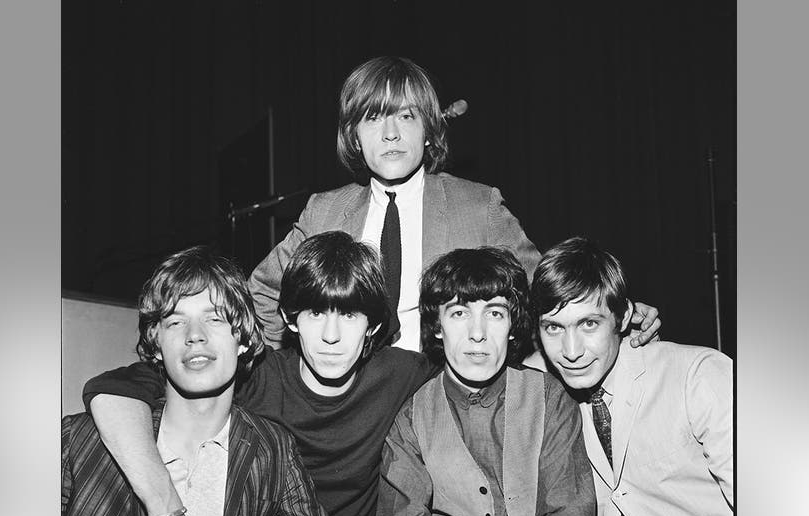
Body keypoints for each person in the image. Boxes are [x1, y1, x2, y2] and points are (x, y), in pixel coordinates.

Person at [82, 232, 440, 516]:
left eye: (348, 315)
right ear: (290, 318)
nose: (331, 336)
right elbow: (114, 388)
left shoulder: (401, 375)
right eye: (315, 313)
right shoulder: (257, 374)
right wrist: (164, 510)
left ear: (373, 327)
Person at [61, 246, 359, 516]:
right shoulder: (84, 438)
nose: (194, 335)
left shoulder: (268, 451)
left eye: (214, 318)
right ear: (156, 345)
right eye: (175, 321)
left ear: (243, 339)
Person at [248, 55, 659, 351]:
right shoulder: (324, 211)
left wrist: (618, 314)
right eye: (373, 118)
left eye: (406, 116)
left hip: (443, 404)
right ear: (354, 136)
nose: (390, 133)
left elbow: (547, 295)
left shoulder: (479, 206)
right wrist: (286, 373)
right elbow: (262, 293)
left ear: (429, 130)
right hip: (349, 408)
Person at [374, 247, 597, 516]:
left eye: (494, 313)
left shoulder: (550, 398)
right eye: (458, 314)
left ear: (514, 326)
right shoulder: (412, 417)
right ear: (436, 327)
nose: (477, 334)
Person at [531, 237, 734, 516]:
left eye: (589, 324)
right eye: (554, 328)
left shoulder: (696, 375)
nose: (571, 351)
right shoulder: (545, 395)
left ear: (624, 316)